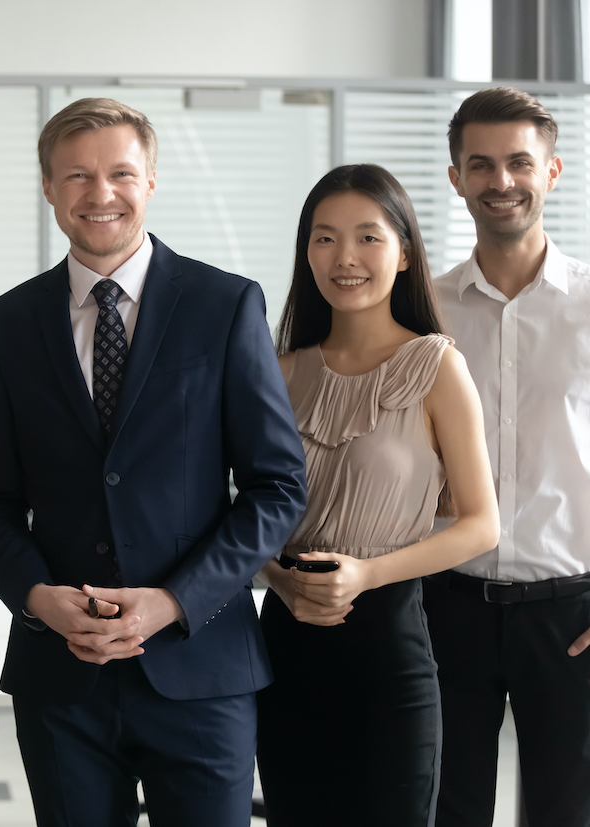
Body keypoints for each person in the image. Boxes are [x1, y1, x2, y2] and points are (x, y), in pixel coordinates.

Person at [0, 97, 308, 826]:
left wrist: (174, 601)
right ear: (48, 186)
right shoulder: (5, 323)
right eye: (77, 175)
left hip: (201, 667)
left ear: (151, 180)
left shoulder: (225, 304)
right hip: (62, 676)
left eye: (121, 173)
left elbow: (277, 486)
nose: (101, 193)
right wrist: (38, 597)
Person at [254, 164, 499, 827]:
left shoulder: (438, 366)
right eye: (325, 238)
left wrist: (365, 574)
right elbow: (241, 514)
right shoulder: (277, 372)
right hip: (284, 643)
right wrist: (277, 577)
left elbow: (481, 524)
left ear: (405, 253)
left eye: (368, 237)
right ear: (307, 253)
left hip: (388, 646)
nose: (345, 257)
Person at [423, 87, 590, 827]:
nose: (501, 181)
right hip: (445, 605)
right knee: (445, 809)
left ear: (551, 172)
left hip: (573, 613)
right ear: (456, 177)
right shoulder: (422, 311)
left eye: (520, 162)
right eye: (481, 164)